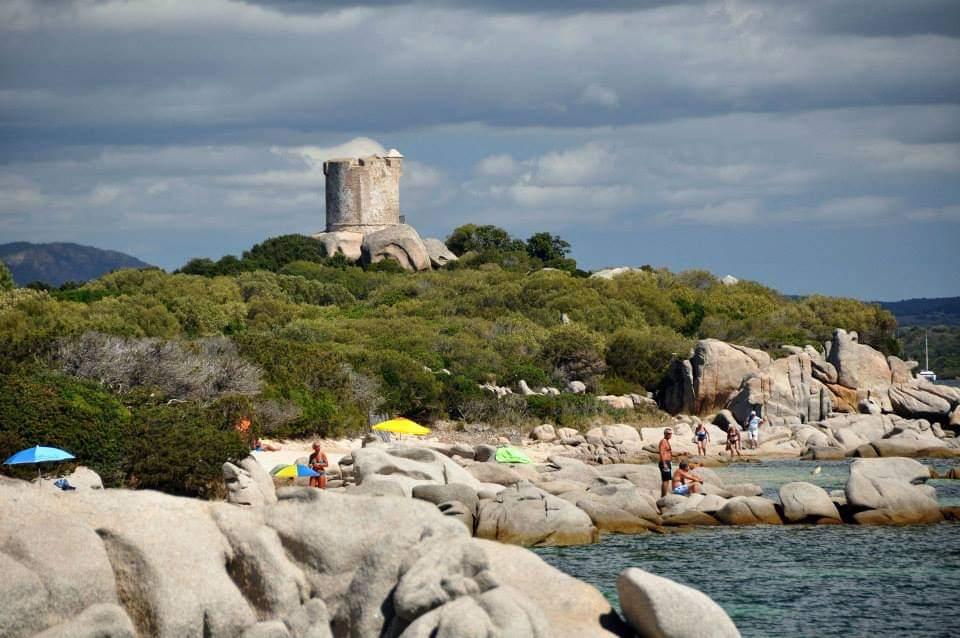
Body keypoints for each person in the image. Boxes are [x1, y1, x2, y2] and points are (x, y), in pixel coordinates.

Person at [658, 428, 673, 497]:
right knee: (665, 480)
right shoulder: (663, 441)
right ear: (665, 434)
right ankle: (663, 497)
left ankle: (664, 496)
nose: (670, 435)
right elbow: (661, 452)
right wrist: (664, 464)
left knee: (667, 481)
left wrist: (680, 454)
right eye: (668, 434)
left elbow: (668, 452)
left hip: (668, 462)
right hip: (665, 463)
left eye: (671, 433)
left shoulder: (667, 441)